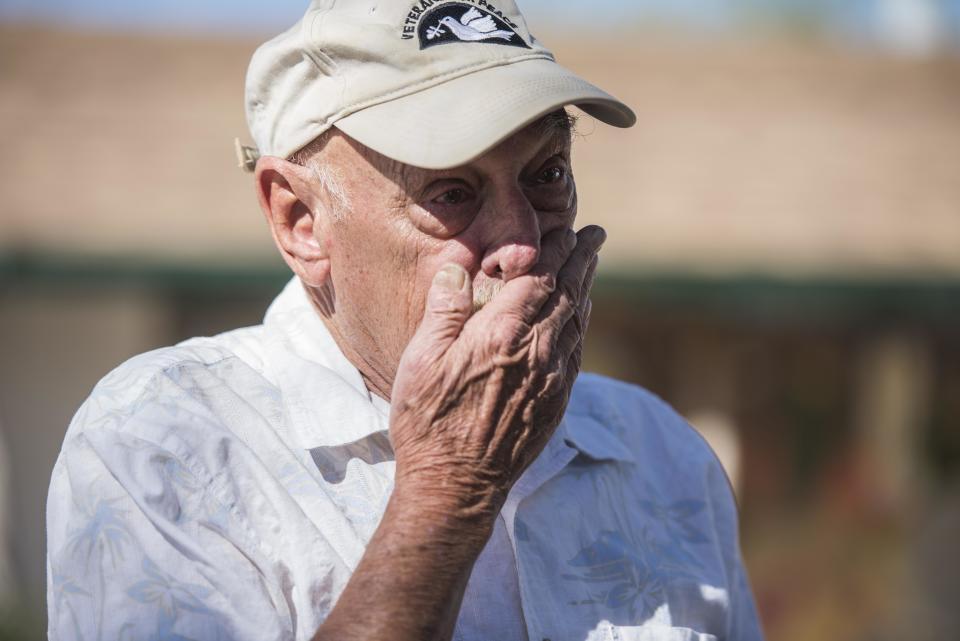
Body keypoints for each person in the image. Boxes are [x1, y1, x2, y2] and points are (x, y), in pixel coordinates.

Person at [46, 1, 764, 640]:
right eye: (452, 191)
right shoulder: (165, 447)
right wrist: (448, 491)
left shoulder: (661, 458)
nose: (520, 245)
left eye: (547, 175)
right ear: (300, 220)